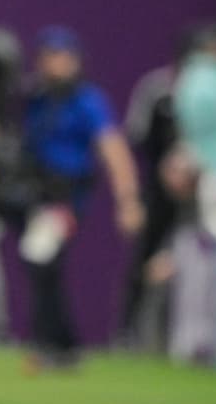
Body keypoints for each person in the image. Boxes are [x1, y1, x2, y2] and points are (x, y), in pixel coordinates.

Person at [19, 27, 143, 369]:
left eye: (62, 57)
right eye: (49, 57)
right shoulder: (36, 99)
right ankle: (62, 345)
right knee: (44, 267)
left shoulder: (87, 100)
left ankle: (56, 345)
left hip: (66, 198)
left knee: (41, 260)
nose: (55, 65)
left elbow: (113, 149)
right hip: (36, 194)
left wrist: (128, 200)